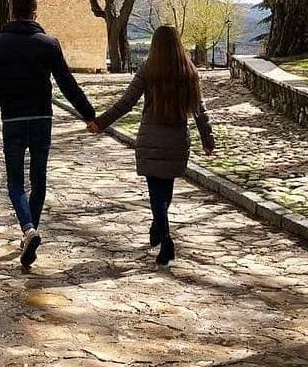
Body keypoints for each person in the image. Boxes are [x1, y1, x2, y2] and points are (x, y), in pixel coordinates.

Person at [0, 0, 96, 269]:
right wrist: (89, 115)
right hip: (42, 118)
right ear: (35, 13)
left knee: (15, 181)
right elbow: (67, 83)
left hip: (12, 121)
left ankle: (28, 229)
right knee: (39, 178)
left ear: (11, 13)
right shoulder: (49, 44)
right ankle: (30, 231)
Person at [89, 24, 215, 267]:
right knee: (164, 193)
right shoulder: (188, 72)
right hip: (177, 140)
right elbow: (200, 111)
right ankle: (159, 228)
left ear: (155, 45)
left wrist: (100, 123)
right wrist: (207, 140)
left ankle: (165, 238)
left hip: (150, 139)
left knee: (156, 194)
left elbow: (126, 103)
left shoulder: (148, 70)